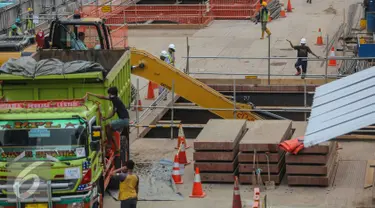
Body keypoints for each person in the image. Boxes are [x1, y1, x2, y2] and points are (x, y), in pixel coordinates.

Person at [88, 87, 129, 153]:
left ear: (111, 94)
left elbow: (112, 113)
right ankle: (116, 147)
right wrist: (92, 94)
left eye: (109, 94)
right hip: (124, 120)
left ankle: (109, 143)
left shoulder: (115, 100)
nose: (108, 95)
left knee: (108, 126)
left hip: (123, 120)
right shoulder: (115, 99)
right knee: (110, 129)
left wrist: (105, 118)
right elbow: (103, 97)